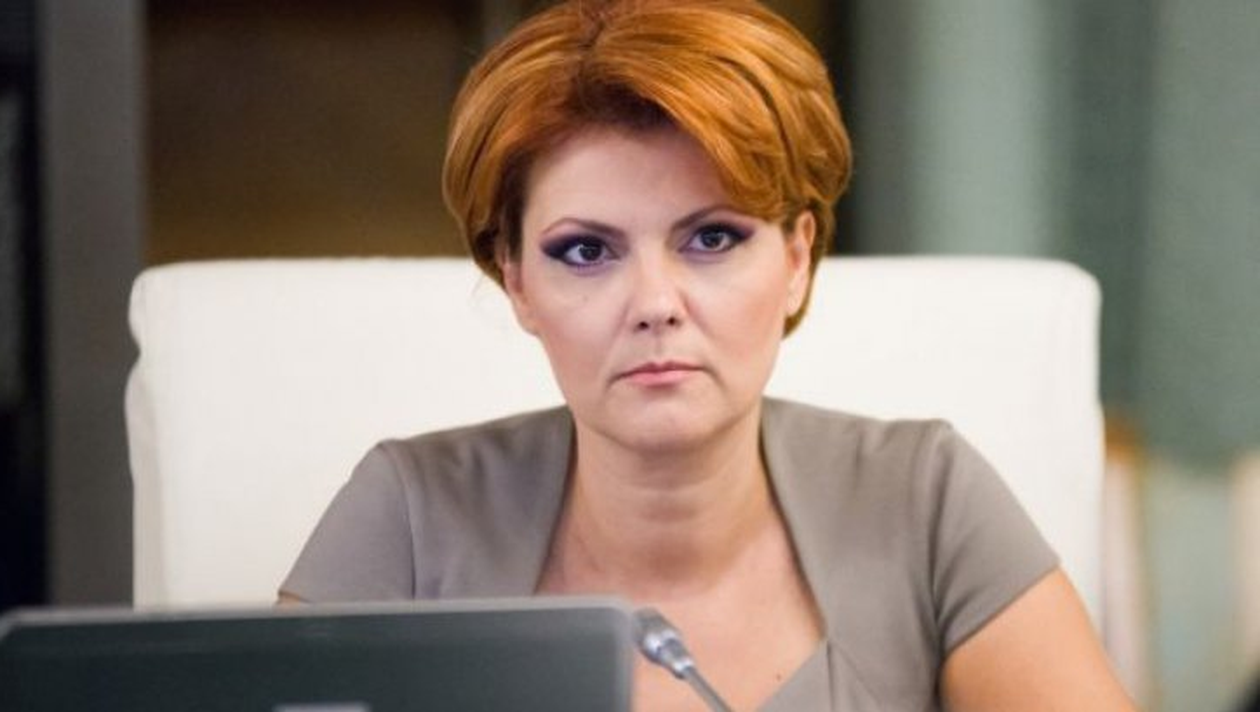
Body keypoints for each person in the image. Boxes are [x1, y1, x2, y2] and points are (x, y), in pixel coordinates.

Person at [280, 1, 1135, 709]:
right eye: (586, 251)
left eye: (713, 238)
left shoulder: (927, 501)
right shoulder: (408, 520)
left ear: (797, 259)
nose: (655, 303)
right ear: (516, 282)